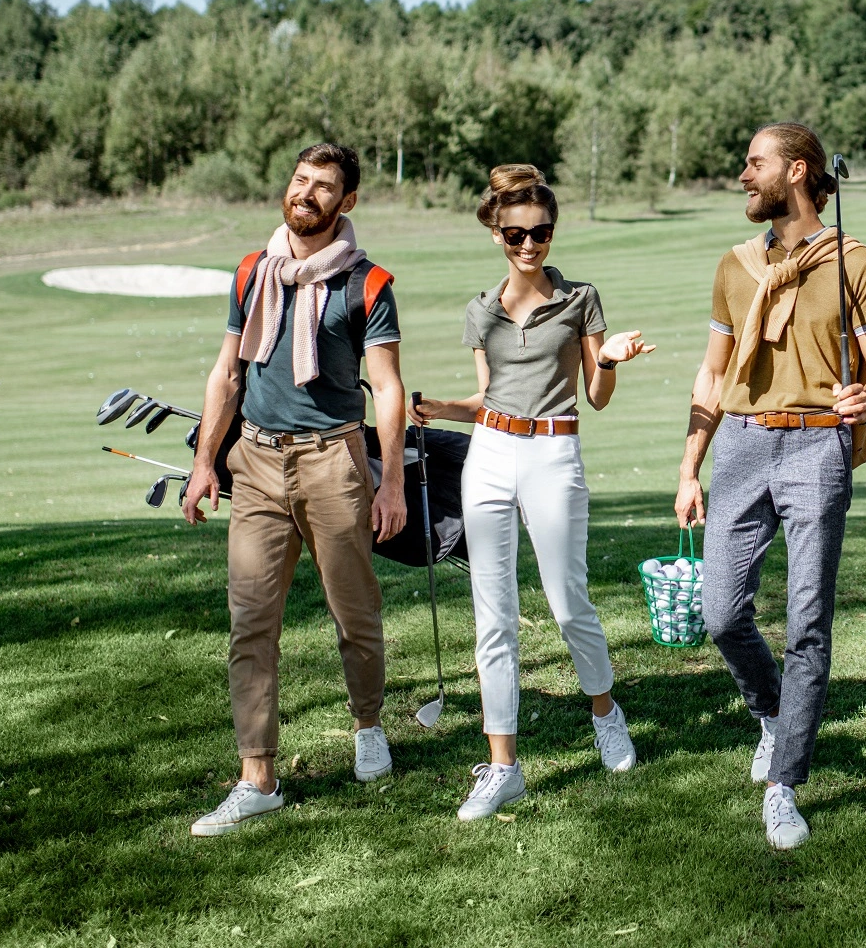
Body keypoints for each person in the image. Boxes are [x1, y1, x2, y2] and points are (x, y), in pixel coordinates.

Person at [676, 122, 866, 850]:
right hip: (740, 442)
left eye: (755, 163)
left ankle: (785, 782)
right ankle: (773, 713)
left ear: (797, 171)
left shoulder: (855, 260)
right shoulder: (735, 264)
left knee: (807, 620)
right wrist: (689, 464)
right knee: (719, 611)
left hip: (816, 446)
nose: (744, 175)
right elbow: (712, 372)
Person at [412, 164, 656, 821]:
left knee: (568, 600)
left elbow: (597, 396)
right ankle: (502, 767)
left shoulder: (580, 299)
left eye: (540, 234)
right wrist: (437, 406)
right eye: (517, 234)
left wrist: (608, 360)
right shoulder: (481, 310)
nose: (529, 246)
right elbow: (488, 397)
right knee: (493, 613)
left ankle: (606, 711)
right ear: (498, 233)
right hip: (490, 454)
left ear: (551, 233)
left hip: (553, 451)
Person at [180, 143, 409, 837]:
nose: (307, 192)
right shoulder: (253, 272)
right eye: (301, 180)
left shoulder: (366, 284)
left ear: (348, 201)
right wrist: (204, 462)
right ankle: (258, 777)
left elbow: (390, 388)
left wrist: (389, 479)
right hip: (253, 461)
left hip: (333, 461)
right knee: (251, 621)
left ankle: (368, 723)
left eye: (325, 186)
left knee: (354, 612)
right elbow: (226, 373)